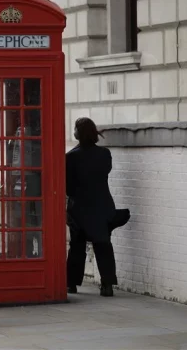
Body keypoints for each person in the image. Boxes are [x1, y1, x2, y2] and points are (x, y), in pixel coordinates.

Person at [66, 117, 118, 297]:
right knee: (103, 245)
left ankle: (71, 283)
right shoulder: (104, 154)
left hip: (79, 206)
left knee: (77, 246)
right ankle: (107, 285)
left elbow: (68, 186)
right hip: (102, 204)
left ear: (78, 133)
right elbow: (105, 173)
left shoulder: (71, 157)